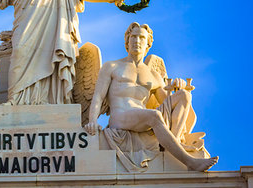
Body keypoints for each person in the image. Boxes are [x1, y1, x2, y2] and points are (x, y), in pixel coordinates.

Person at [84, 22, 218, 171]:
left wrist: (176, 87)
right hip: (120, 117)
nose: (137, 41)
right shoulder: (112, 66)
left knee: (184, 96)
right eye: (133, 37)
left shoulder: (154, 75)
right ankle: (190, 162)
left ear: (148, 43)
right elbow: (98, 97)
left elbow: (166, 102)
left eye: (141, 37)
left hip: (143, 118)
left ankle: (173, 144)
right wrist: (92, 121)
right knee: (154, 116)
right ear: (127, 41)